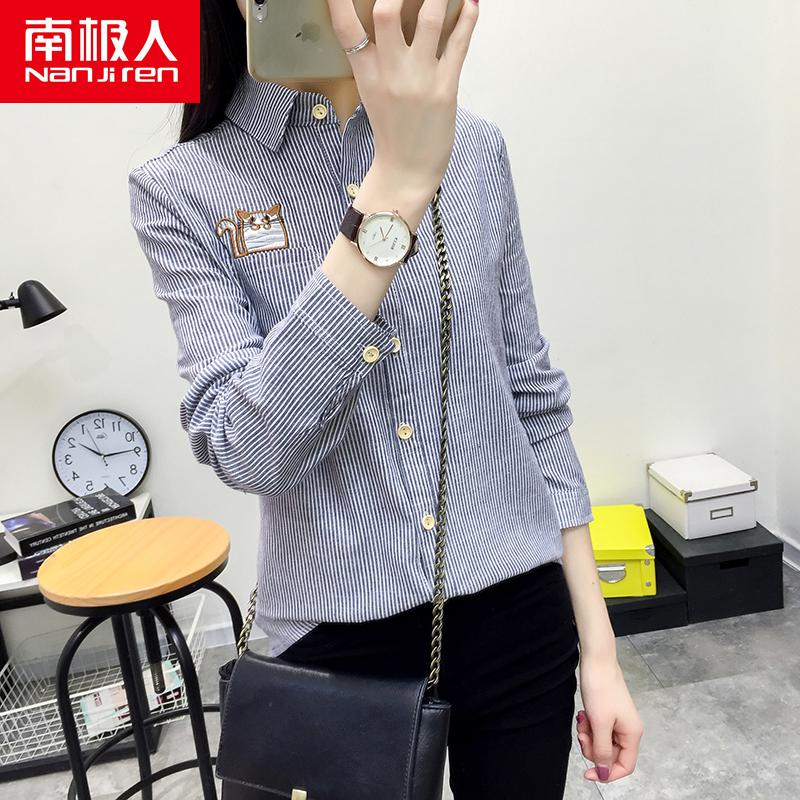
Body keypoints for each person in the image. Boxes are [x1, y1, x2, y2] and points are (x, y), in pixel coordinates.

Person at [128, 0, 644, 796]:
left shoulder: (475, 149)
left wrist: (601, 654)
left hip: (520, 611)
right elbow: (246, 447)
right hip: (333, 641)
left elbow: (533, 400)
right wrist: (395, 188)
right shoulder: (184, 188)